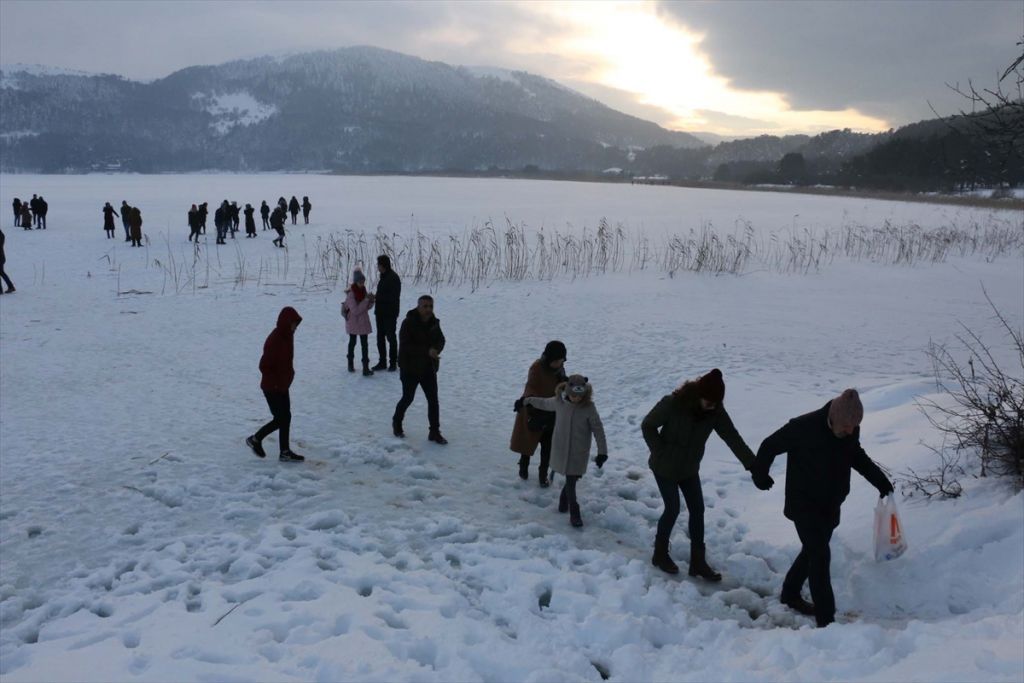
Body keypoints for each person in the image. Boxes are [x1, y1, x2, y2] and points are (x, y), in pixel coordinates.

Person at [751, 389, 894, 628]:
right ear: (835, 417)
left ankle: (790, 593)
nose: (851, 432)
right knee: (819, 556)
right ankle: (827, 623)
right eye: (847, 428)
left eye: (854, 428)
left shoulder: (849, 429)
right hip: (803, 503)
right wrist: (760, 475)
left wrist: (881, 482)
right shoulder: (803, 427)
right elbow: (769, 445)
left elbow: (856, 456)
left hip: (830, 504)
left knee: (812, 551)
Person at [641, 368, 757, 581]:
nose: (712, 406)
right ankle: (659, 554)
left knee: (698, 510)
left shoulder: (715, 411)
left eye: (715, 403)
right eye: (708, 401)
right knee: (673, 508)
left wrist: (753, 466)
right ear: (697, 395)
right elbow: (648, 425)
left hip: (689, 468)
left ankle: (698, 562)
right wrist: (660, 450)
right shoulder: (673, 403)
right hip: (664, 466)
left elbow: (732, 437)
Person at [523, 375, 607, 528]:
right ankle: (573, 510)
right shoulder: (559, 402)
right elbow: (542, 402)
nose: (576, 399)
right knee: (571, 480)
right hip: (561, 448)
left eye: (579, 396)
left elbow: (598, 429)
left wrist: (603, 452)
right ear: (568, 391)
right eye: (573, 395)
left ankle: (567, 503)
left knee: (572, 479)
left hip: (578, 452)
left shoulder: (589, 408)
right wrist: (526, 401)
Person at [247, 306, 305, 462]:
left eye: (296, 324)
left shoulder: (287, 336)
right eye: (293, 324)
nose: (295, 327)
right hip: (272, 387)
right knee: (281, 418)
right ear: (286, 323)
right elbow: (264, 365)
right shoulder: (275, 339)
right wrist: (276, 384)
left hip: (282, 385)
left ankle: (284, 451)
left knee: (286, 416)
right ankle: (255, 439)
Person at [510, 341, 567, 486]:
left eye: (561, 361)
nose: (559, 364)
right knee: (528, 444)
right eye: (556, 361)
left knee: (548, 448)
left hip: (552, 414)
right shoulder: (536, 368)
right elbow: (531, 387)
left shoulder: (560, 369)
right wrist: (529, 401)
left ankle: (543, 476)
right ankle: (523, 467)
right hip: (534, 412)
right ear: (549, 359)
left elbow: (561, 386)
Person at [392, 295, 446, 444]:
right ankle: (397, 422)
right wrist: (427, 351)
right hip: (410, 368)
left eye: (431, 306)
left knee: (433, 400)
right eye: (425, 306)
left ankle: (434, 431)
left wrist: (436, 349)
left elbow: (441, 340)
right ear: (418, 307)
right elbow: (405, 345)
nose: (428, 309)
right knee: (408, 398)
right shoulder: (408, 323)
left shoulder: (434, 322)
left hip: (428, 367)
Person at [342, 267, 376, 376]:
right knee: (353, 343)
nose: (362, 283)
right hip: (353, 322)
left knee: (364, 345)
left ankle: (366, 368)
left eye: (363, 281)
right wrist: (366, 300)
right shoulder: (351, 294)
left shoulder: (363, 291)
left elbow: (366, 308)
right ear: (356, 282)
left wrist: (371, 301)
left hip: (363, 322)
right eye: (360, 281)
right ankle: (350, 364)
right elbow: (355, 311)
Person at [372, 254, 401, 371]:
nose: (377, 267)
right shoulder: (383, 276)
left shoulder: (393, 278)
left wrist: (377, 298)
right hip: (380, 312)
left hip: (390, 313)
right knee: (380, 338)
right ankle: (382, 362)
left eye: (378, 264)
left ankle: (393, 362)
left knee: (391, 337)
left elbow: (393, 297)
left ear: (383, 265)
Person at [0, 229, 15, 294]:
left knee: (1, 272)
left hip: (0, 257)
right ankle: (9, 287)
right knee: (1, 272)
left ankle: (10, 287)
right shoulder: (1, 235)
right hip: (1, 256)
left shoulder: (1, 235)